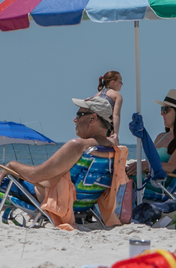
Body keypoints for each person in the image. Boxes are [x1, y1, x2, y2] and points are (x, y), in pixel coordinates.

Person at [0, 96, 124, 228]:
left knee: (7, 180)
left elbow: (34, 175)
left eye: (79, 115)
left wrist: (11, 165)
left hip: (55, 200)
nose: (74, 119)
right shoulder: (114, 149)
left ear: (92, 118)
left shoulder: (77, 146)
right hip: (84, 204)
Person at [95, 71, 124, 145]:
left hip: (95, 127)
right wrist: (116, 133)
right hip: (107, 128)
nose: (122, 84)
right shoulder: (117, 96)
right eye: (120, 81)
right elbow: (116, 115)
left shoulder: (97, 95)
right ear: (112, 82)